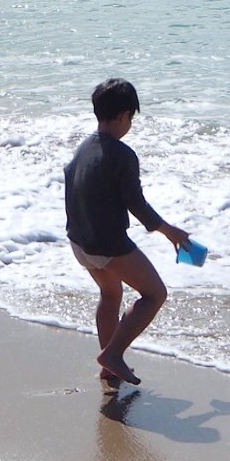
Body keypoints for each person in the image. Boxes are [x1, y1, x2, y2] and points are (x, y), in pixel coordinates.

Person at [65, 78, 190, 388]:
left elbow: (71, 185)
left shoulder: (83, 147)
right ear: (123, 115)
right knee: (155, 294)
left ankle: (110, 366)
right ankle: (113, 355)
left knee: (111, 294)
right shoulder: (122, 154)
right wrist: (169, 232)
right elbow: (136, 203)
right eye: (131, 117)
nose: (129, 124)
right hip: (105, 243)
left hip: (79, 242)